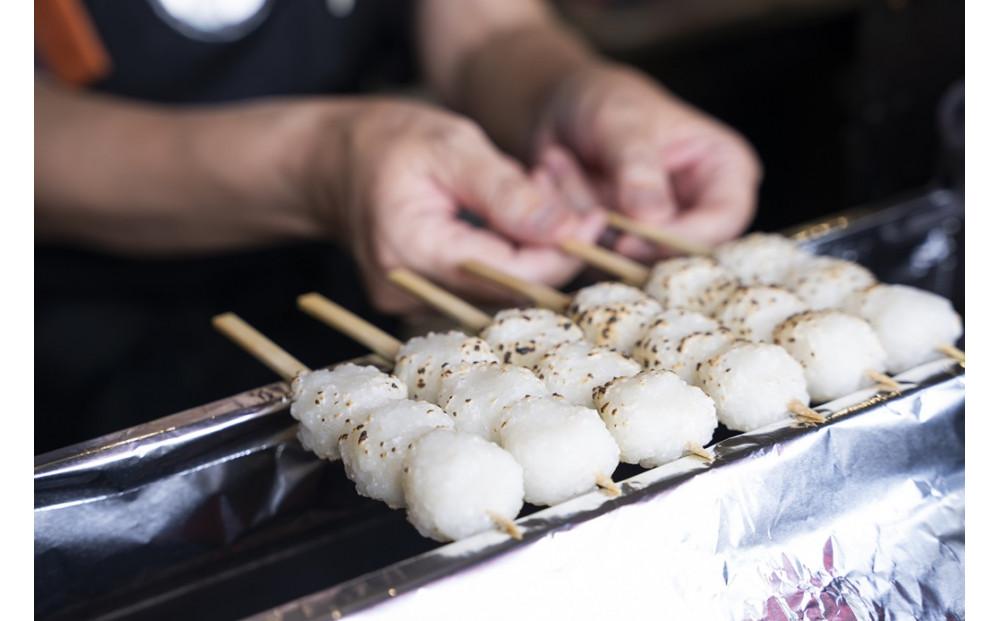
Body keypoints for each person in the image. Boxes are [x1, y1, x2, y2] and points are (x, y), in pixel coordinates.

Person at [35, 0, 760, 450]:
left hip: (343, 293)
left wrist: (562, 87)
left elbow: (483, 26)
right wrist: (320, 163)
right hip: (62, 344)